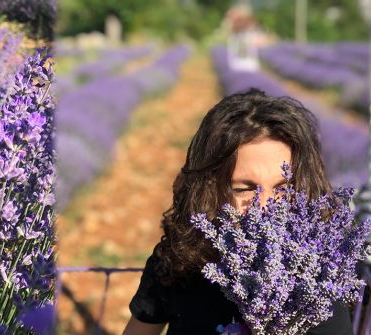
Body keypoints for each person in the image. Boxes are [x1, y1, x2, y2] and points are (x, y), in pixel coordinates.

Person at [122, 89, 355, 335]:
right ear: (210, 189)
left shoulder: (319, 279)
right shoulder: (178, 263)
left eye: (283, 189)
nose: (265, 208)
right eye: (244, 189)